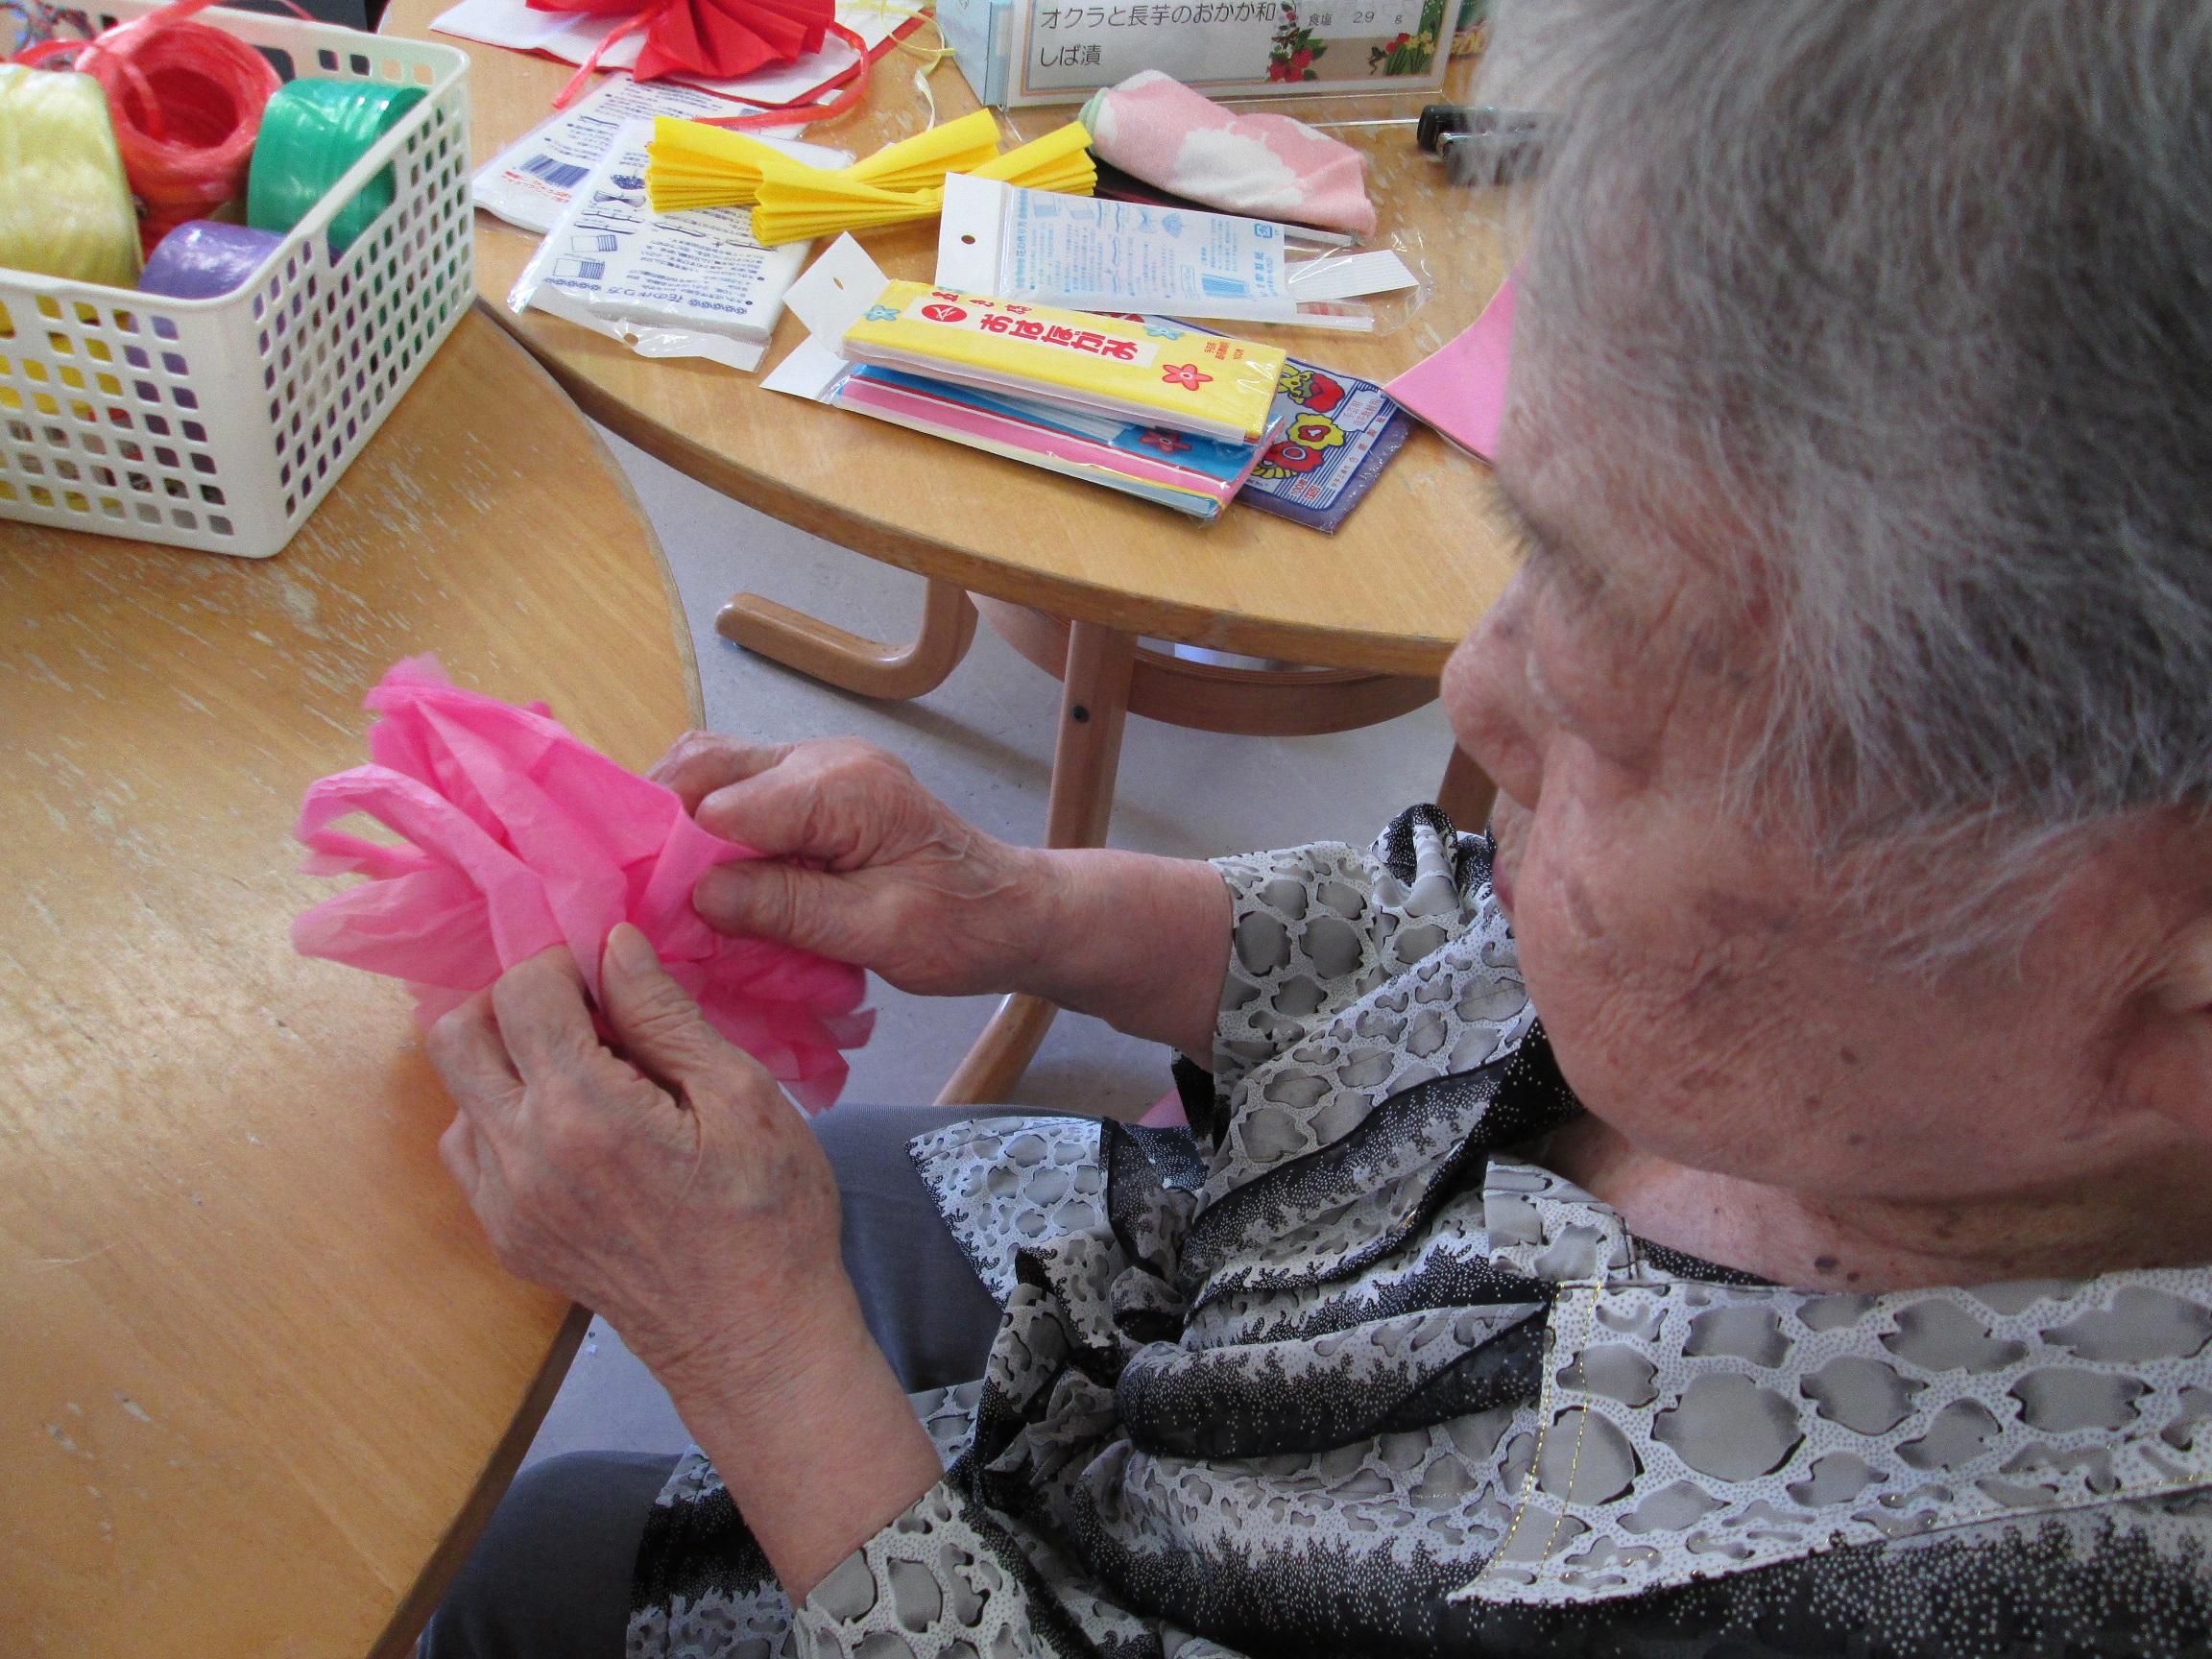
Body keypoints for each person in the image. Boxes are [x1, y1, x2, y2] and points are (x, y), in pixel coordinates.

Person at [419, 0, 2212, 1653]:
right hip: (1202, 1281)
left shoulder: (1945, 1598)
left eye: (1613, 712)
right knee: (817, 1192)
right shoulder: (1879, 1059)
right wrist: (1027, 907)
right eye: (1537, 557)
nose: (1478, 694)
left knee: (528, 1566)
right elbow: (1461, 940)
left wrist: (755, 1351)